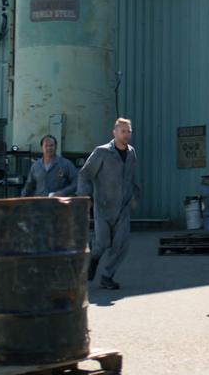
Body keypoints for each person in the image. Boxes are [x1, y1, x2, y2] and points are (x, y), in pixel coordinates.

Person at [79, 118, 141, 290]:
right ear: (114, 132)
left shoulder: (131, 153)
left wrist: (135, 195)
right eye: (123, 131)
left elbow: (131, 177)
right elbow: (85, 174)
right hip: (104, 207)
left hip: (123, 207)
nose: (127, 134)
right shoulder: (102, 152)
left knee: (122, 244)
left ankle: (107, 276)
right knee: (103, 243)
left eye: (129, 131)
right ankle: (94, 256)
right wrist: (86, 197)